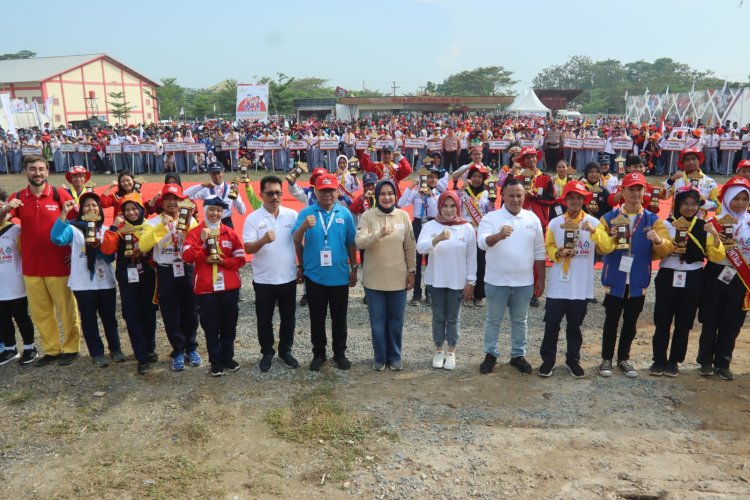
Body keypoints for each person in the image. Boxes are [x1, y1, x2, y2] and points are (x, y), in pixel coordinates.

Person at [0, 155, 81, 367]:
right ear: (25, 171)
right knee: (41, 313)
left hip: (58, 265)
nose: (37, 173)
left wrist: (73, 253)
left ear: (47, 171)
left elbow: (78, 226)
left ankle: (71, 348)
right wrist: (5, 210)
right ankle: (52, 349)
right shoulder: (17, 197)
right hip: (31, 267)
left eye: (41, 169)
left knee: (66, 311)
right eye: (33, 169)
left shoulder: (59, 194)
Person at [594, 172, 673, 378]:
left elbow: (666, 249)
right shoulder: (608, 218)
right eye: (631, 189)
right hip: (615, 280)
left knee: (630, 323)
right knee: (611, 321)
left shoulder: (652, 219)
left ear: (644, 192)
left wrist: (657, 240)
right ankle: (606, 358)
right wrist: (607, 237)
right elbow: (601, 249)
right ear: (622, 191)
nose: (636, 193)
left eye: (639, 189)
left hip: (638, 281)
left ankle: (624, 358)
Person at [651, 187, 725, 377]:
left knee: (684, 321)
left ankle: (674, 361)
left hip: (693, 277)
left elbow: (715, 255)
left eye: (693, 204)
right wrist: (659, 242)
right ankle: (659, 359)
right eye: (685, 203)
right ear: (677, 205)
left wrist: (715, 235)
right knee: (662, 319)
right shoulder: (665, 224)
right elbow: (657, 252)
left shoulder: (704, 225)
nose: (689, 208)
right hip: (668, 274)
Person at [477, 178, 545, 375]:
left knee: (520, 320)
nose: (515, 199)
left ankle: (517, 355)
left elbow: (539, 252)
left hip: (524, 282)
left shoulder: (532, 219)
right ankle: (490, 354)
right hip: (496, 280)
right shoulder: (491, 218)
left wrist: (541, 279)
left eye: (519, 195)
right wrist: (497, 236)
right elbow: (481, 243)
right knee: (493, 320)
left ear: (524, 196)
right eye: (511, 195)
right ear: (502, 196)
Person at [293, 174, 357, 371]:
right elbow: (296, 239)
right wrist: (303, 227)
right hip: (315, 276)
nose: (327, 194)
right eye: (323, 191)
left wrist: (354, 268)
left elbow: (351, 243)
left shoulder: (344, 214)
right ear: (315, 192)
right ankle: (319, 353)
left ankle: (340, 353)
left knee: (340, 318)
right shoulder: (306, 213)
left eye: (331, 190)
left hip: (339, 276)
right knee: (317, 318)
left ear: (337, 191)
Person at [540, 181, 605, 378]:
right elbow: (548, 247)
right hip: (558, 285)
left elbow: (608, 247)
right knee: (552, 324)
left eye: (579, 198)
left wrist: (594, 232)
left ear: (584, 200)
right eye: (571, 198)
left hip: (580, 286)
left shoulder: (593, 223)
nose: (575, 201)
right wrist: (558, 252)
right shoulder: (555, 222)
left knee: (575, 326)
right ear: (565, 200)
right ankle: (548, 360)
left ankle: (572, 359)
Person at [51, 193, 122, 367]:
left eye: (94, 205)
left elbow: (111, 257)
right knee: (89, 320)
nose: (91, 208)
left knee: (109, 319)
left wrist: (100, 248)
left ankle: (115, 349)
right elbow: (56, 238)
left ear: (100, 210)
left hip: (105, 282)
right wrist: (63, 213)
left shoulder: (107, 230)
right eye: (87, 206)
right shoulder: (74, 229)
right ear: (81, 210)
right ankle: (96, 353)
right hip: (83, 283)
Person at [138, 184, 202, 372]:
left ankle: (191, 348)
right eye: (168, 199)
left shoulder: (190, 221)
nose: (172, 202)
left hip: (186, 268)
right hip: (166, 270)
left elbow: (197, 244)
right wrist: (162, 226)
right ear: (162, 202)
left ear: (182, 201)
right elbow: (143, 246)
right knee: (171, 313)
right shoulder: (151, 222)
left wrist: (187, 228)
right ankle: (178, 350)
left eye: (176, 199)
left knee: (191, 311)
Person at [356, 179, 416, 371]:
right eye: (383, 194)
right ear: (377, 196)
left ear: (396, 195)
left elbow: (410, 247)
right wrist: (379, 234)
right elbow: (360, 242)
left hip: (398, 279)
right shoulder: (368, 216)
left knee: (396, 322)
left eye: (390, 193)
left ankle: (395, 355)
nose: (387, 197)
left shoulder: (403, 217)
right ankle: (380, 357)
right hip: (374, 281)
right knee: (377, 323)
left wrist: (412, 271)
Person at [182, 196, 245, 377]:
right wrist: (201, 243)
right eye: (211, 209)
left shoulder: (229, 232)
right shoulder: (195, 232)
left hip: (229, 288)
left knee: (229, 325)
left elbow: (240, 259)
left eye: (219, 210)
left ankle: (228, 357)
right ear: (205, 210)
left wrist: (223, 261)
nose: (215, 213)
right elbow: (186, 258)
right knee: (211, 326)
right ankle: (215, 361)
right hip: (206, 288)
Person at [243, 175, 300, 372]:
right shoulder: (253, 218)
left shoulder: (292, 215)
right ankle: (267, 352)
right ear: (261, 195)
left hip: (288, 277)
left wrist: (301, 267)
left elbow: (300, 242)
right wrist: (263, 241)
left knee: (288, 317)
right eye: (270, 193)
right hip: (264, 279)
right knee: (264, 318)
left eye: (278, 193)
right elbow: (248, 248)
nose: (274, 197)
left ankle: (285, 350)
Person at [416, 191, 477, 371]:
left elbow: (472, 257)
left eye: (452, 206)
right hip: (436, 279)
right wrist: (437, 239)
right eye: (445, 206)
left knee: (453, 317)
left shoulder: (466, 228)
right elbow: (420, 248)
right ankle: (438, 349)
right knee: (438, 316)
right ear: (439, 206)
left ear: (458, 207)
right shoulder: (430, 225)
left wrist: (470, 282)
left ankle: (451, 350)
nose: (449, 210)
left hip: (457, 280)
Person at [697, 176, 750, 381]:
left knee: (733, 320)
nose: (740, 203)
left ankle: (723, 362)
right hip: (716, 273)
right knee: (710, 317)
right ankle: (705, 361)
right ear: (727, 199)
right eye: (736, 198)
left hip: (740, 277)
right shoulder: (714, 222)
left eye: (745, 199)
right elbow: (709, 251)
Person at [100, 193, 158, 375]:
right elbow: (107, 250)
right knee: (132, 317)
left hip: (148, 278)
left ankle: (149, 348)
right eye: (127, 210)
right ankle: (141, 357)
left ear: (141, 209)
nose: (131, 213)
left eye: (134, 209)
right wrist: (113, 226)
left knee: (149, 315)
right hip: (128, 280)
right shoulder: (118, 230)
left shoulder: (150, 226)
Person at [0, 189, 37, 365]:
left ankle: (30, 347)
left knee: (21, 316)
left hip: (15, 283)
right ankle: (10, 348)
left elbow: (28, 253)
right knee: (3, 318)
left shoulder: (15, 230)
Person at [398, 163, 439, 306]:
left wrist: (429, 196)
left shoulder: (437, 194)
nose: (432, 180)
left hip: (431, 225)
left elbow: (435, 213)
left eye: (435, 178)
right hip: (417, 225)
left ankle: (429, 293)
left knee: (430, 260)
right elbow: (401, 203)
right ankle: (416, 294)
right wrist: (413, 186)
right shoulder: (416, 191)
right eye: (429, 177)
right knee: (416, 260)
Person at [183, 163, 248, 228]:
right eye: (214, 173)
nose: (216, 176)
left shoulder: (231, 189)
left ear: (223, 172)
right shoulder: (205, 189)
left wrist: (236, 197)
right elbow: (184, 194)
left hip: (226, 223)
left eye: (218, 173)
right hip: (210, 223)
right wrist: (201, 185)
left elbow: (242, 211)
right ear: (209, 174)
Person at [663, 148, 719, 218]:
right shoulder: (676, 179)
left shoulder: (710, 182)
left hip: (699, 224)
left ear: (699, 161)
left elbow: (716, 205)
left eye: (693, 159)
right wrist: (670, 180)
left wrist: (702, 202)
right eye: (687, 160)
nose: (691, 162)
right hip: (676, 223)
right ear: (682, 163)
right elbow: (663, 196)